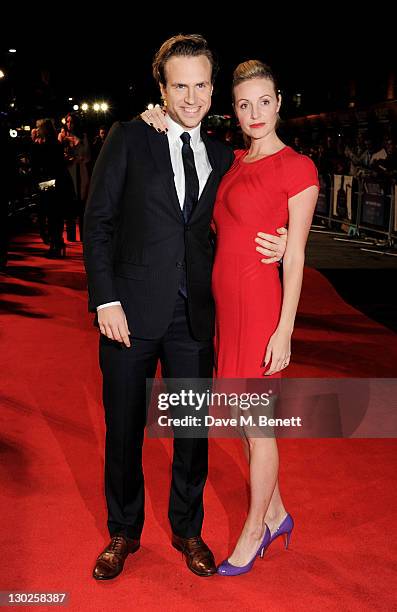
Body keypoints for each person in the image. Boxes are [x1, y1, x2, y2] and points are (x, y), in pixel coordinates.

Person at [83, 34, 288, 581]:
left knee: (191, 431)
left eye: (201, 85)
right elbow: (97, 223)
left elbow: (254, 215)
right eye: (181, 86)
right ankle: (123, 532)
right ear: (162, 88)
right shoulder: (129, 137)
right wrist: (104, 297)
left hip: (194, 318)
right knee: (124, 429)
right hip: (125, 314)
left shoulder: (226, 156)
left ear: (212, 88)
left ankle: (187, 530)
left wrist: (286, 242)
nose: (192, 97)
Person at [213, 61, 319, 575]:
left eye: (263, 100)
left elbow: (295, 254)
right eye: (243, 104)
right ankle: (276, 513)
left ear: (280, 101)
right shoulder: (234, 161)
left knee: (258, 428)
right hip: (226, 310)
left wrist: (285, 329)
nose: (255, 112)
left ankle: (254, 530)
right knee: (239, 418)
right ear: (234, 110)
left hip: (259, 309)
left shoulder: (297, 168)